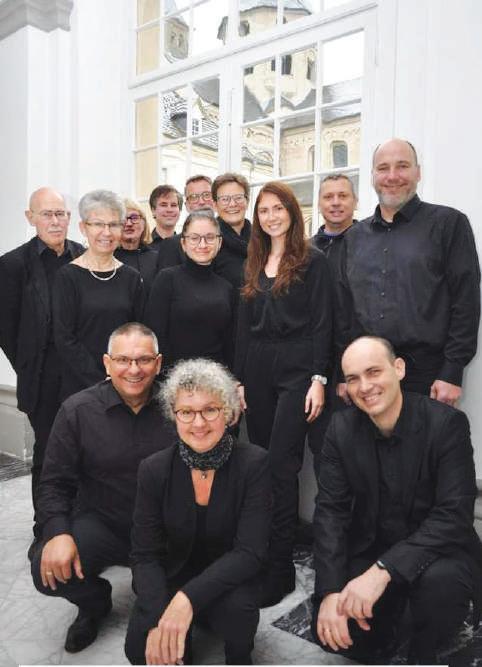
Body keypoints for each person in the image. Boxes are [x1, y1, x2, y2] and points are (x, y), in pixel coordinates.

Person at [312, 335, 482, 665]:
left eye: (374, 372)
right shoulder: (341, 429)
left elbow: (454, 515)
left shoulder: (447, 424)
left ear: (399, 369)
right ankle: (390, 620)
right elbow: (330, 512)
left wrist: (383, 571)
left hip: (439, 554)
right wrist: (330, 591)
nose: (364, 387)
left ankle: (421, 635)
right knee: (336, 633)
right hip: (373, 546)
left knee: (438, 595)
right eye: (353, 378)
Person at [30, 323, 172, 654]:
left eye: (144, 360)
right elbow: (54, 483)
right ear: (107, 364)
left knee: (169, 634)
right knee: (46, 570)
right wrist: (58, 532)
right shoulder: (77, 411)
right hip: (103, 524)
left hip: (162, 531)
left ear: (158, 363)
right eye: (123, 360)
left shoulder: (179, 407)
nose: (134, 369)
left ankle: (151, 588)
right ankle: (95, 603)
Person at [124, 358, 270, 666]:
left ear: (228, 413)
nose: (199, 423)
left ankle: (238, 655)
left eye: (210, 410)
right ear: (174, 415)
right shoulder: (153, 469)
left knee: (239, 615)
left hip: (228, 579)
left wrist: (186, 600)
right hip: (172, 576)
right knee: (140, 652)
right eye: (187, 412)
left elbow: (249, 553)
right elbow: (145, 554)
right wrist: (158, 616)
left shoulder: (254, 464)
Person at [235, 181, 332, 607]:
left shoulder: (314, 260)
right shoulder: (254, 260)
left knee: (281, 465)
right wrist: (238, 380)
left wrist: (318, 378)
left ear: (292, 212)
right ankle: (262, 554)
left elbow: (324, 323)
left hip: (297, 369)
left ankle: (281, 568)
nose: (271, 216)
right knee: (260, 462)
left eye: (278, 208)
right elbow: (242, 327)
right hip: (257, 368)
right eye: (264, 210)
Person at [337, 138, 480, 406]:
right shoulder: (354, 237)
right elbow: (345, 311)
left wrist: (452, 370)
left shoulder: (449, 224)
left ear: (418, 172)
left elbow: (466, 301)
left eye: (402, 166)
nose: (392, 176)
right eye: (383, 168)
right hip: (366, 375)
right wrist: (344, 372)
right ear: (372, 176)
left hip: (428, 376)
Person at [0, 187, 84, 522]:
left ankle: (80, 518)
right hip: (42, 377)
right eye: (47, 214)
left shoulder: (83, 256)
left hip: (82, 374)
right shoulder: (12, 265)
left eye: (60, 213)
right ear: (30, 217)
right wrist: (28, 364)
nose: (55, 221)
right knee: (49, 451)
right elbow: (6, 328)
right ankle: (47, 524)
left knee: (84, 449)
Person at [53, 189, 144, 399]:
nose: (107, 232)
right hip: (80, 387)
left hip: (126, 383)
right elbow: (64, 338)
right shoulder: (67, 276)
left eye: (113, 224)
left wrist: (123, 375)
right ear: (83, 228)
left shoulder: (131, 277)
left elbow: (138, 332)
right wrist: (101, 380)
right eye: (98, 224)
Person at [145, 209, 234, 371]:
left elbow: (229, 342)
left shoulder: (226, 287)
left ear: (219, 243)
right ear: (183, 244)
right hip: (174, 376)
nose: (202, 244)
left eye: (209, 237)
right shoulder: (167, 279)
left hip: (216, 377)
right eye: (194, 238)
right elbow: (155, 335)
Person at [156, 175, 214, 270]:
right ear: (187, 206)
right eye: (194, 197)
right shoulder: (172, 246)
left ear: (215, 200)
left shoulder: (228, 240)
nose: (201, 202)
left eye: (207, 195)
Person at [212, 172, 252, 290]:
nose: (232, 204)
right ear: (215, 205)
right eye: (225, 199)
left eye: (238, 198)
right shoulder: (208, 242)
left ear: (247, 201)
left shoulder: (263, 239)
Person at [114, 198, 160, 294]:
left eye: (134, 218)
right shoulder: (108, 259)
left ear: (144, 223)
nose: (129, 223)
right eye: (122, 219)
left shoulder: (157, 259)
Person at [312, 174, 357, 268]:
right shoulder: (305, 251)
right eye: (328, 197)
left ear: (355, 202)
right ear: (318, 205)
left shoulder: (371, 245)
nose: (336, 203)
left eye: (343, 196)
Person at [148, 184, 182, 250]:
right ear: (153, 210)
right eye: (163, 205)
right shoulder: (143, 246)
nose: (169, 210)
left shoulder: (186, 246)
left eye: (173, 205)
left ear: (180, 210)